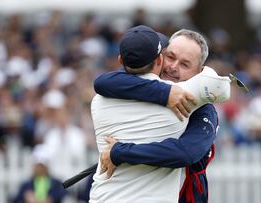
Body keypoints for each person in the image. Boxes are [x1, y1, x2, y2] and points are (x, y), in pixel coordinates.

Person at [89, 25, 230, 203]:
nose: (172, 67)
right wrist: (165, 93)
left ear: (199, 73)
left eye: (185, 64)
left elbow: (185, 153)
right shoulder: (139, 87)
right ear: (159, 57)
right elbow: (102, 82)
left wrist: (120, 152)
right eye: (170, 57)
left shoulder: (203, 109)